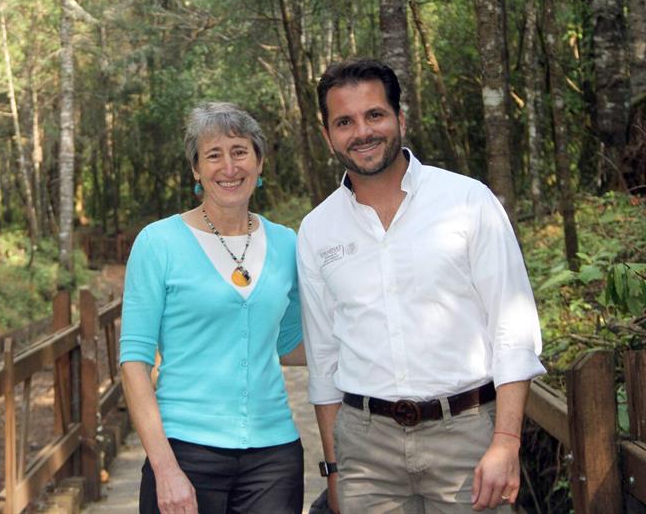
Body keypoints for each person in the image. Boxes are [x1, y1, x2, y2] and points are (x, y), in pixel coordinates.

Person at [297, 59, 546, 513]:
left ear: (400, 119)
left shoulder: (469, 201)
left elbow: (513, 328)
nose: (362, 131)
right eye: (344, 121)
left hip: (466, 436)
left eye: (375, 115)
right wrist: (335, 470)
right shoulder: (317, 230)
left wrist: (506, 442)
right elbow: (324, 359)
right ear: (328, 134)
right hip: (365, 450)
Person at [120, 101, 306, 514]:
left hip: (274, 457)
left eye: (240, 151)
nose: (229, 167)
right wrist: (164, 467)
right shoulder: (159, 243)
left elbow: (289, 344)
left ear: (259, 162)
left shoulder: (288, 243)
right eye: (213, 155)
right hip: (184, 453)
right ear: (196, 169)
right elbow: (133, 362)